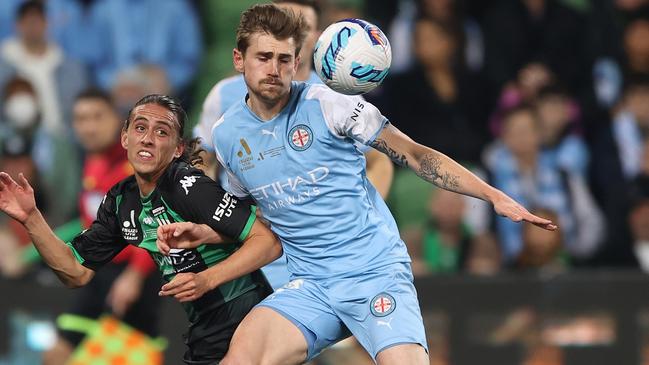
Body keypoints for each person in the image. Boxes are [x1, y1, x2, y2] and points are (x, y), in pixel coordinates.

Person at [166, 5, 555, 365]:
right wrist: (204, 231)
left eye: (284, 59)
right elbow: (249, 219)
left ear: (297, 62)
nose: (274, 69)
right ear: (239, 60)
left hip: (374, 274)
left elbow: (415, 155)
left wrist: (492, 195)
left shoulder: (329, 103)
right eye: (263, 57)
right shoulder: (228, 135)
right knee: (241, 358)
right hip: (310, 285)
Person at [0, 94, 282, 364]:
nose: (148, 138)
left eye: (162, 132)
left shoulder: (189, 188)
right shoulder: (122, 201)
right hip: (206, 330)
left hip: (250, 319)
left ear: (178, 149)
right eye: (140, 128)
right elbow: (76, 271)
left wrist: (207, 279)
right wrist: (31, 218)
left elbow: (267, 243)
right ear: (125, 137)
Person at [194, 0, 393, 290]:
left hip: (322, 256)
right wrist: (212, 214)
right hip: (250, 247)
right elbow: (203, 155)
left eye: (303, 27)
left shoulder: (334, 97)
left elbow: (379, 161)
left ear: (315, 36)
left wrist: (356, 221)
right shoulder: (224, 95)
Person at [42, 89, 161, 365]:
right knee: (57, 354)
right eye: (81, 119)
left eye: (97, 117)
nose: (89, 127)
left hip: (137, 277)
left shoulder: (140, 164)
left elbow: (154, 224)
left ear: (119, 122)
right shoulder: (92, 162)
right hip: (99, 273)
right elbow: (91, 221)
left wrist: (134, 275)